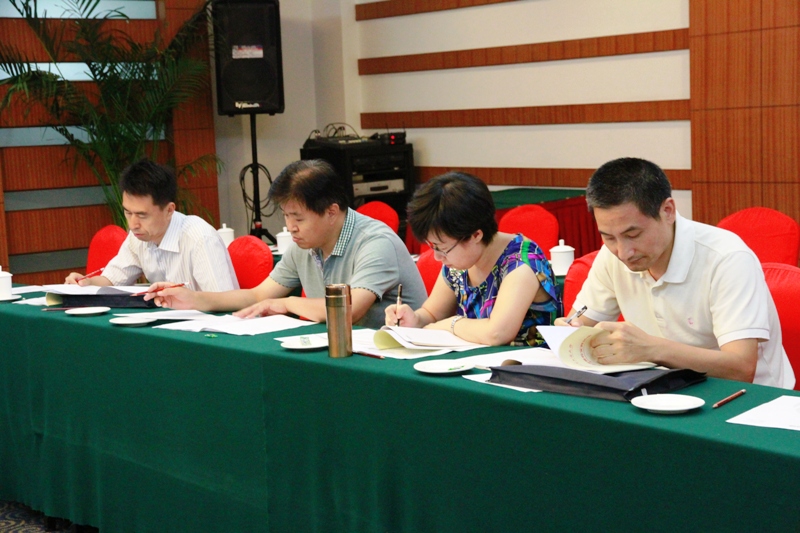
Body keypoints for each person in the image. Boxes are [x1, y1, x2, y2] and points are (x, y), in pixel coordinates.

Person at [557, 157, 794, 388]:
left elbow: (740, 368)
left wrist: (651, 349)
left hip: (748, 398)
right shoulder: (611, 256)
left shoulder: (727, 258)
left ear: (668, 211)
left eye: (633, 235)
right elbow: (581, 324)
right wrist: (570, 334)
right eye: (608, 237)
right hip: (663, 389)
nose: (623, 252)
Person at [146, 159, 427, 329]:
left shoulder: (375, 242)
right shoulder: (305, 244)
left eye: (298, 218)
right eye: (286, 216)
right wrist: (194, 299)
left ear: (331, 212)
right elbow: (258, 295)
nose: (290, 226)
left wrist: (288, 303)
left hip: (394, 357)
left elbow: (349, 311)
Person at [386, 171, 560, 346]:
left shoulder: (521, 263)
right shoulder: (460, 261)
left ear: (476, 235)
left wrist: (451, 325)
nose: (437, 257)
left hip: (523, 360)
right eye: (433, 247)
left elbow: (497, 334)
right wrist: (414, 319)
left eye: (442, 248)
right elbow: (432, 314)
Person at [65, 158, 238, 292]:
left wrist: (188, 299)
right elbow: (112, 280)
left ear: (169, 210)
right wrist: (86, 282)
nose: (133, 224)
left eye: (142, 215)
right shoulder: (138, 236)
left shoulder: (200, 238)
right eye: (128, 212)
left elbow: (223, 300)